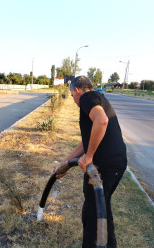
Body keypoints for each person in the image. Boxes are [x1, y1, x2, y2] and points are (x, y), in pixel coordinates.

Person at [55, 76, 127, 248]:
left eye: (72, 95)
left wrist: (89, 157)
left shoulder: (88, 98)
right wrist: (65, 164)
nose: (73, 99)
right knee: (101, 208)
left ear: (77, 90)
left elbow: (102, 121)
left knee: (93, 213)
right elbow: (85, 142)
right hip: (115, 163)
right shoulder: (97, 98)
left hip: (105, 166)